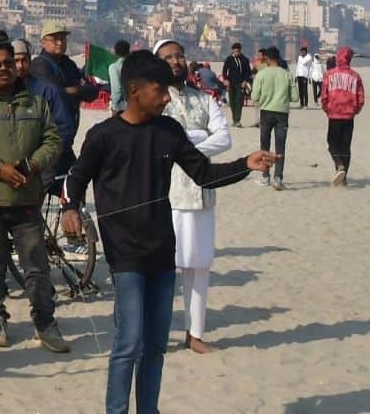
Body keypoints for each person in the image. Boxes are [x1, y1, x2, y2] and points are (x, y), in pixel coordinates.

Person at [63, 53, 276, 414]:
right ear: (134, 91)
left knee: (156, 345)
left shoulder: (169, 131)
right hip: (125, 252)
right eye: (159, 90)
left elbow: (204, 174)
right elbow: (76, 178)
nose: (166, 98)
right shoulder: (104, 136)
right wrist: (70, 209)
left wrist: (245, 165)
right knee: (129, 342)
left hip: (163, 249)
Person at [0, 34, 67, 353]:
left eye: (9, 63)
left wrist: (31, 164)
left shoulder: (36, 102)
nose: (4, 69)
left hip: (27, 198)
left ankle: (45, 323)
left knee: (37, 265)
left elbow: (53, 140)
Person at [155, 41, 228, 354]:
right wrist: (198, 139)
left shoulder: (204, 99)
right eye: (168, 57)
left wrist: (188, 147)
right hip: (166, 195)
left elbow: (224, 138)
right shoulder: (155, 103)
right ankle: (157, 334)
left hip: (202, 194)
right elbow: (157, 143)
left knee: (199, 267)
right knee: (162, 268)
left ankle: (194, 333)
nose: (175, 61)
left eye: (179, 55)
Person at [28, 22, 100, 178]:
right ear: (43, 42)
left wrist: (75, 89)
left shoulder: (69, 64)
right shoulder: (39, 65)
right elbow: (54, 93)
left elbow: (91, 92)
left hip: (66, 135)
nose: (60, 43)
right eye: (54, 39)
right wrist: (76, 89)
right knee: (44, 181)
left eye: (63, 39)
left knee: (75, 181)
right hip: (47, 137)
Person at [321, 46, 366, 186]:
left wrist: (327, 109)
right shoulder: (355, 76)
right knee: (345, 146)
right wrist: (355, 110)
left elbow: (324, 96)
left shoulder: (329, 75)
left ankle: (339, 166)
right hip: (348, 116)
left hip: (334, 115)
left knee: (332, 143)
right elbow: (361, 98)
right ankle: (343, 176)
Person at [248, 48, 292, 190]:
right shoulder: (287, 74)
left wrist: (264, 98)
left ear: (266, 59)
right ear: (278, 58)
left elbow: (254, 97)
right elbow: (296, 97)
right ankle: (278, 178)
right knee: (280, 147)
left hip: (266, 112)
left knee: (264, 147)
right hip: (282, 113)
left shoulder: (261, 74)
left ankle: (266, 177)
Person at [219, 43, 252, 128]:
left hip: (241, 83)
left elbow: (248, 72)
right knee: (232, 102)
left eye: (238, 50)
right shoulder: (229, 59)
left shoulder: (245, 59)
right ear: (232, 50)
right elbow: (224, 70)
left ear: (240, 50)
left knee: (239, 101)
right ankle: (234, 120)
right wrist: (226, 79)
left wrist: (246, 81)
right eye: (235, 49)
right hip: (231, 83)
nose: (237, 51)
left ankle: (237, 120)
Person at [106, 39, 130, 116]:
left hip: (120, 106)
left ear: (116, 53)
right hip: (133, 105)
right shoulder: (134, 66)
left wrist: (114, 106)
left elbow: (116, 88)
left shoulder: (114, 67)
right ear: (128, 52)